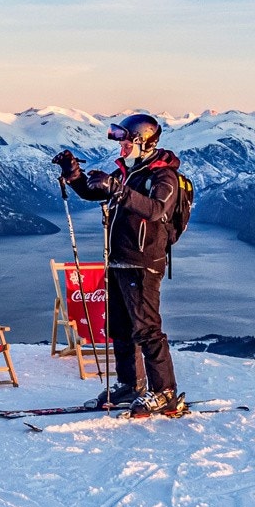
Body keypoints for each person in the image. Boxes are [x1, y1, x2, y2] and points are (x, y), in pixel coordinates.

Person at [53, 114, 185, 417]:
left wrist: (119, 190)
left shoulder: (163, 176)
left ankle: (165, 391)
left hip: (143, 263)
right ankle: (130, 385)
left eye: (126, 142)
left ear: (143, 141)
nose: (122, 148)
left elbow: (155, 210)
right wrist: (73, 175)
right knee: (121, 329)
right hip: (118, 260)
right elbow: (93, 191)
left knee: (147, 330)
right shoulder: (128, 172)